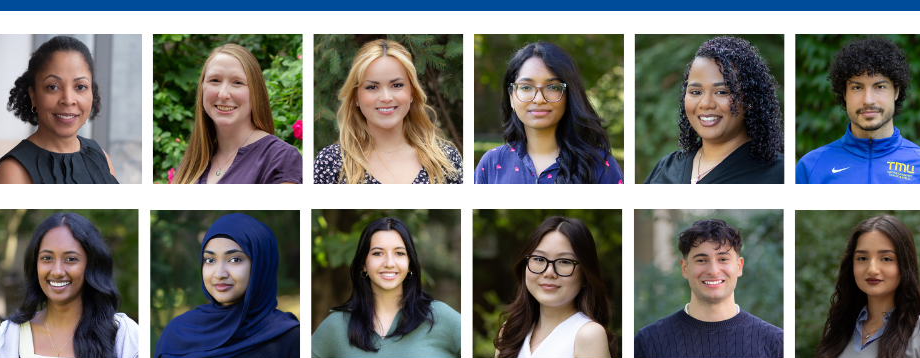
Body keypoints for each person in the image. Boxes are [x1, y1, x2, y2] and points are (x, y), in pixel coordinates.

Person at [795, 36, 920, 184]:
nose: (868, 100)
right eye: (857, 87)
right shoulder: (810, 167)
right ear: (844, 93)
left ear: (896, 91)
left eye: (880, 87)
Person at [313, 39, 462, 184]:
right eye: (372, 87)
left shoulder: (446, 160)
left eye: (397, 85)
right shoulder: (331, 162)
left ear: (412, 93)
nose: (386, 97)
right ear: (355, 97)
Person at [155, 213, 300, 358]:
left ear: (260, 265)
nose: (219, 274)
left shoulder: (290, 340)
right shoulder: (176, 334)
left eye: (235, 259)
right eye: (210, 260)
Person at [311, 217, 461, 358]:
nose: (389, 263)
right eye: (378, 253)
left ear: (410, 263)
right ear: (363, 264)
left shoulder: (441, 317)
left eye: (399, 253)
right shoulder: (335, 326)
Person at [475, 42, 623, 184]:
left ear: (569, 96)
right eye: (526, 87)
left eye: (553, 87)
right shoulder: (492, 163)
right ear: (512, 97)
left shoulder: (601, 165)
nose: (539, 99)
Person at [0, 213, 137, 358]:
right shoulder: (13, 333)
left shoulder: (123, 334)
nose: (57, 272)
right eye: (47, 258)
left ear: (91, 265)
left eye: (70, 259)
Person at [644, 37, 784, 184]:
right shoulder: (666, 168)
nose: (705, 104)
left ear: (749, 100)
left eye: (722, 92)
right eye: (696, 92)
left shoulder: (778, 175)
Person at [635, 219, 782, 358]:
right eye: (701, 260)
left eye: (723, 259)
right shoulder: (648, 342)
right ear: (685, 268)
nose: (713, 271)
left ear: (739, 267)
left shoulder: (776, 343)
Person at [814, 215, 920, 358]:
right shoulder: (836, 332)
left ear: (905, 265)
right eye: (862, 258)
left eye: (886, 259)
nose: (872, 269)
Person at [0, 36, 118, 184]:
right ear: (33, 95)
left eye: (80, 87)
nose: (68, 99)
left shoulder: (101, 157)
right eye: (53, 87)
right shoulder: (13, 171)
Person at [171, 44, 302, 184]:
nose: (223, 94)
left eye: (237, 82)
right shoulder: (190, 166)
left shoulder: (280, 159)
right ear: (202, 87)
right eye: (214, 80)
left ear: (256, 93)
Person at [493, 216, 616, 358]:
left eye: (564, 261)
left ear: (586, 275)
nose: (549, 273)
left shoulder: (588, 335)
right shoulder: (510, 331)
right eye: (539, 259)